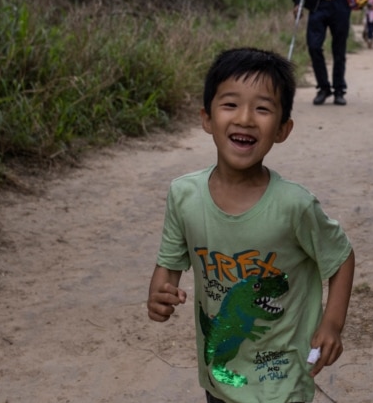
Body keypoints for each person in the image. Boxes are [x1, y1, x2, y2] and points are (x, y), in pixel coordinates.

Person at [147, 47, 356, 403]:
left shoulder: (294, 205)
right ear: (207, 118)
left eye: (262, 109)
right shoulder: (184, 195)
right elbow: (167, 268)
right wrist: (160, 295)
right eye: (230, 104)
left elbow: (341, 258)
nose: (245, 118)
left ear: (283, 129)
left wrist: (331, 324)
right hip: (219, 380)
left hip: (281, 381)